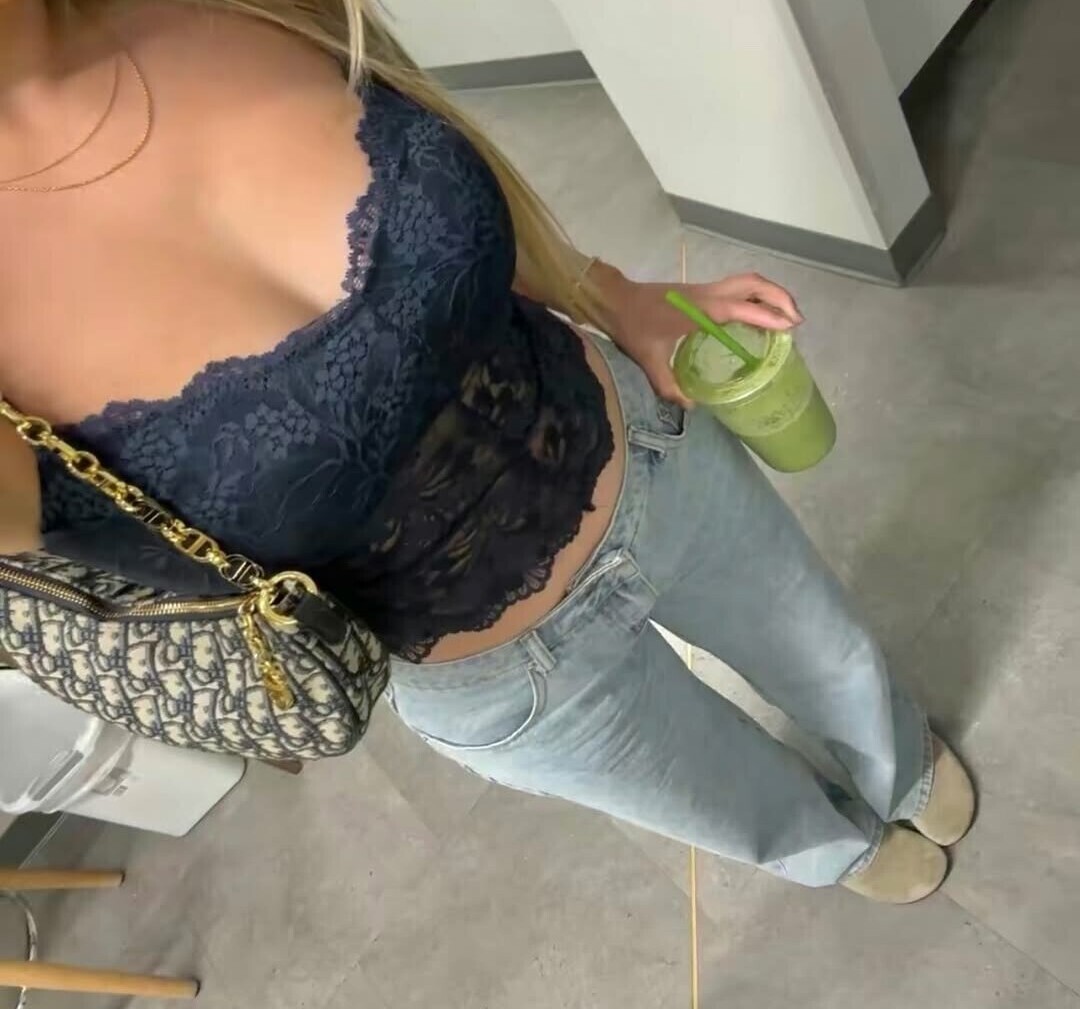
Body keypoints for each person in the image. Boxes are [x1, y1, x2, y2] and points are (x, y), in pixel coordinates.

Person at [0, 0, 974, 902]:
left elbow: (444, 179)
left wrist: (615, 295)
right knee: (732, 803)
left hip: (649, 451)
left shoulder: (245, 8)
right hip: (507, 678)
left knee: (832, 653)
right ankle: (836, 848)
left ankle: (901, 764)